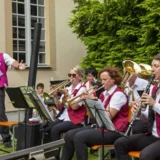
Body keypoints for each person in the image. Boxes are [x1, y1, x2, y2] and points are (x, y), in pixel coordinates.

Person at [60, 66, 129, 160]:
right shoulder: (104, 94)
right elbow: (93, 117)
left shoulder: (118, 95)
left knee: (79, 137)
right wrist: (88, 104)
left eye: (105, 79)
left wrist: (94, 101)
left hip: (115, 130)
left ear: (113, 80)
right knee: (69, 135)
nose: (103, 82)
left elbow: (107, 117)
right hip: (102, 127)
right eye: (101, 79)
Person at [114, 53, 160, 160]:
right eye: (152, 66)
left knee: (145, 155)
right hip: (153, 135)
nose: (152, 70)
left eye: (156, 66)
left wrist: (154, 104)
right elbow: (148, 116)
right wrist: (139, 111)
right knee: (120, 143)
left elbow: (155, 106)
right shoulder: (154, 88)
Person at [42, 66, 87, 159]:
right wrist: (55, 96)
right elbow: (59, 106)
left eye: (74, 75)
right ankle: (48, 153)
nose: (71, 77)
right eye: (69, 75)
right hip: (64, 117)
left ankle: (56, 156)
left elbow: (74, 107)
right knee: (46, 128)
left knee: (55, 129)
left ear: (80, 76)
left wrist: (66, 94)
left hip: (75, 119)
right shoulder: (69, 88)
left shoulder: (83, 89)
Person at [0, 52, 26, 148]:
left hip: (0, 87)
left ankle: (6, 139)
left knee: (0, 113)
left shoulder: (3, 56)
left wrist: (18, 65)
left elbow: (12, 62)